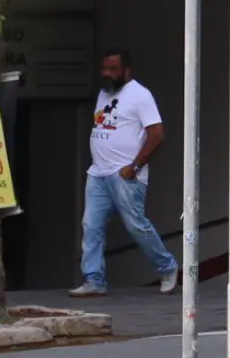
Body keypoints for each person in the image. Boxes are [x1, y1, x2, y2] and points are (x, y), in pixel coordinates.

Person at [69, 48, 179, 297]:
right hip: (98, 173)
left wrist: (135, 166)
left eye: (113, 69)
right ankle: (94, 279)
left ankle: (167, 267)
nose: (107, 73)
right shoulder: (104, 93)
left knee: (136, 226)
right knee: (91, 226)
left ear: (127, 70)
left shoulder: (140, 95)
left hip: (125, 174)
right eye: (104, 68)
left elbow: (157, 134)